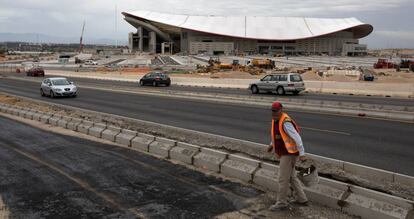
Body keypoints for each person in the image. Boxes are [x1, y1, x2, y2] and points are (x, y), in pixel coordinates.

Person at [267, 101, 308, 211]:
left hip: (289, 155)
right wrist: (271, 145)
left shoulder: (285, 122)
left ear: (281, 110)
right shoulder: (275, 120)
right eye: (272, 111)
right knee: (292, 177)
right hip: (285, 153)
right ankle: (302, 199)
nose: (274, 113)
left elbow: (297, 138)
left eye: (276, 111)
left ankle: (281, 203)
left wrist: (302, 154)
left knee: (283, 179)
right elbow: (277, 135)